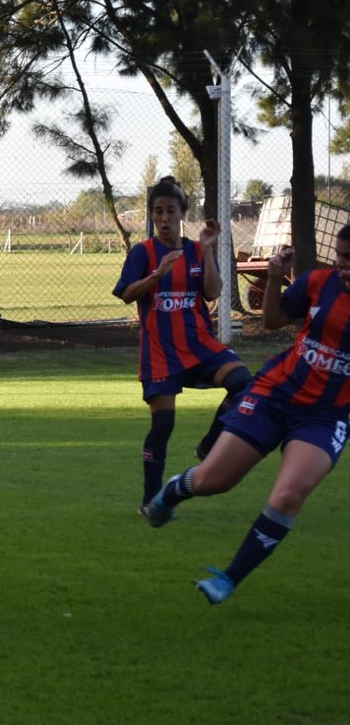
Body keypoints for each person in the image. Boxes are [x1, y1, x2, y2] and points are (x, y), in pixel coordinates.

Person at [143, 229, 350, 604]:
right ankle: (172, 492)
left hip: (325, 417)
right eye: (339, 254)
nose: (341, 264)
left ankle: (228, 578)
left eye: (349, 258)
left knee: (289, 495)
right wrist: (273, 277)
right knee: (213, 480)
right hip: (274, 394)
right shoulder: (320, 282)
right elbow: (272, 320)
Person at [112, 176, 252, 517]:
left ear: (181, 214)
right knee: (162, 428)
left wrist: (206, 249)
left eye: (170, 211)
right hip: (160, 352)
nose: (163, 218)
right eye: (157, 211)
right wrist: (156, 275)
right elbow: (126, 294)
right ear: (151, 216)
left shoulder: (193, 250)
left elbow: (213, 292)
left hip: (200, 345)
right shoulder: (142, 253)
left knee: (244, 384)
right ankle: (150, 501)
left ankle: (209, 445)